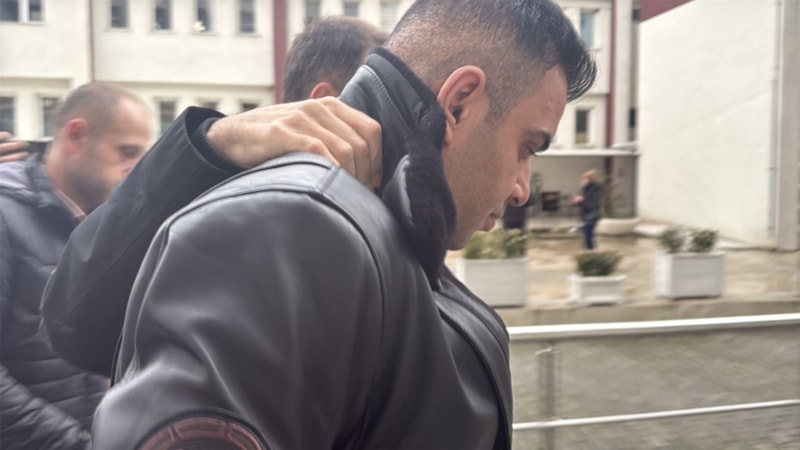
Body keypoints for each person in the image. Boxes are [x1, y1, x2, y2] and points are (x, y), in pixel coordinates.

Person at [91, 0, 596, 448]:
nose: (522, 189)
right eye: (527, 147)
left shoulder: (382, 225)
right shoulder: (293, 227)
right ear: (459, 103)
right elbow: (77, 328)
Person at [41, 16, 386, 378]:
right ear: (328, 102)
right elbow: (76, 323)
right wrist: (212, 144)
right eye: (383, 103)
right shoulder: (244, 212)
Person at [0, 82, 152, 450]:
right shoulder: (5, 216)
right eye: (126, 151)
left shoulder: (108, 227)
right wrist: (75, 443)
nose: (136, 169)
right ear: (76, 136)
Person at [571, 169, 604, 249]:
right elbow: (584, 204)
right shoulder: (585, 189)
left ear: (589, 180)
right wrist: (577, 201)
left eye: (584, 179)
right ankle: (591, 251)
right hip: (586, 215)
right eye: (582, 180)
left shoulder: (595, 189)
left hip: (592, 215)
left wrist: (581, 200)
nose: (582, 182)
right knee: (588, 236)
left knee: (588, 236)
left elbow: (592, 204)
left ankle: (590, 252)